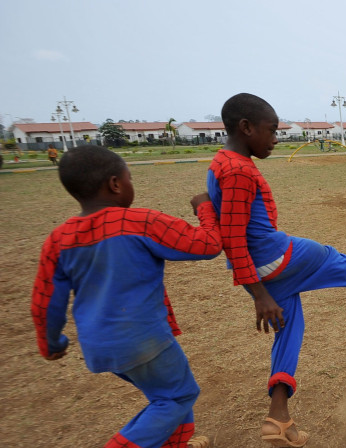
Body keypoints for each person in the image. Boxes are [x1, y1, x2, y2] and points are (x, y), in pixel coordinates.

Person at [207, 93, 346, 447]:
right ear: (246, 128)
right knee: (328, 256)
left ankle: (278, 419)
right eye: (271, 131)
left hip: (257, 272)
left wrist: (258, 289)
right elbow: (231, 235)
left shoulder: (220, 163)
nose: (276, 139)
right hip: (273, 260)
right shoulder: (238, 170)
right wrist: (260, 295)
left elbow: (225, 227)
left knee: (289, 327)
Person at [31, 145, 220, 448]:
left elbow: (45, 302)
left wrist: (51, 344)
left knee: (165, 399)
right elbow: (208, 244)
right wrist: (204, 207)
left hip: (100, 348)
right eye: (129, 178)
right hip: (144, 340)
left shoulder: (59, 239)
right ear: (115, 184)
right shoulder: (139, 221)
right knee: (178, 396)